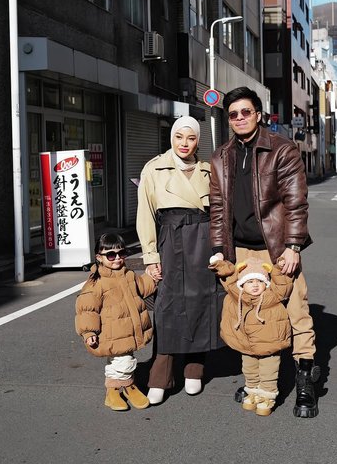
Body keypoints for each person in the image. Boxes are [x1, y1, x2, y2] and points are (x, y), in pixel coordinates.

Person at [210, 86, 320, 418]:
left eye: (246, 112)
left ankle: (305, 381)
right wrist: (219, 250)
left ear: (259, 114)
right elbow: (217, 209)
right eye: (233, 114)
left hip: (277, 249)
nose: (240, 118)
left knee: (296, 313)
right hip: (241, 251)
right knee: (246, 315)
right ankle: (256, 381)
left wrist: (293, 246)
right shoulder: (220, 156)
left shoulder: (282, 149)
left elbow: (295, 202)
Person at [136, 116, 223, 405]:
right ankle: (160, 377)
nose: (184, 144)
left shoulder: (209, 170)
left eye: (191, 138)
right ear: (171, 138)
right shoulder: (154, 168)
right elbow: (145, 215)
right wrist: (150, 256)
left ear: (198, 141)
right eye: (179, 137)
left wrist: (221, 249)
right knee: (167, 305)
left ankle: (194, 370)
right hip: (169, 240)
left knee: (201, 301)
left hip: (202, 240)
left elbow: (220, 213)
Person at [75, 233, 156, 411]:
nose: (117, 258)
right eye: (110, 255)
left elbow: (142, 287)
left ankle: (112, 392)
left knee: (118, 360)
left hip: (126, 330)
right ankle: (128, 385)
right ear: (99, 258)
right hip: (111, 333)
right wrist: (89, 332)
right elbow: (87, 310)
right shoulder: (97, 282)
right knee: (125, 361)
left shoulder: (128, 274)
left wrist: (152, 278)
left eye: (121, 253)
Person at [209, 255, 292, 416]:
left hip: (270, 344)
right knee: (249, 369)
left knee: (269, 370)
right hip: (247, 344)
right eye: (250, 281)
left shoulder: (272, 296)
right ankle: (253, 390)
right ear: (241, 284)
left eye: (260, 281)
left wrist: (279, 268)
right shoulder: (236, 295)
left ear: (266, 283)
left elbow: (283, 283)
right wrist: (219, 264)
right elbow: (228, 278)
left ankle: (267, 395)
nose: (255, 285)